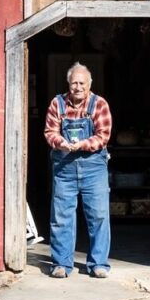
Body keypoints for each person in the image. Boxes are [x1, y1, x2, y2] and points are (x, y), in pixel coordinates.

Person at [44, 62, 112, 278]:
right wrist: (61, 143)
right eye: (74, 82)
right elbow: (49, 131)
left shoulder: (99, 104)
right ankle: (61, 264)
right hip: (64, 168)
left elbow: (103, 135)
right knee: (62, 216)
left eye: (82, 82)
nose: (78, 87)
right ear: (68, 83)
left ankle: (98, 264)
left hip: (93, 168)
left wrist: (81, 145)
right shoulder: (57, 104)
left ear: (90, 83)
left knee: (98, 215)